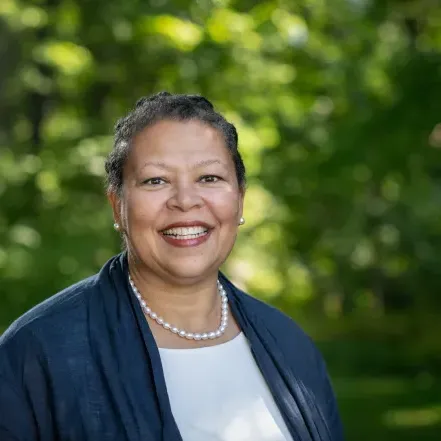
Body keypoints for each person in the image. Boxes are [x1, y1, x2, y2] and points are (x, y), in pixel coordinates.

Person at [0, 92, 344, 441]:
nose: (185, 201)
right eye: (156, 180)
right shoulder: (39, 353)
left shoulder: (291, 348)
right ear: (117, 205)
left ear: (239, 199)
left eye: (209, 178)